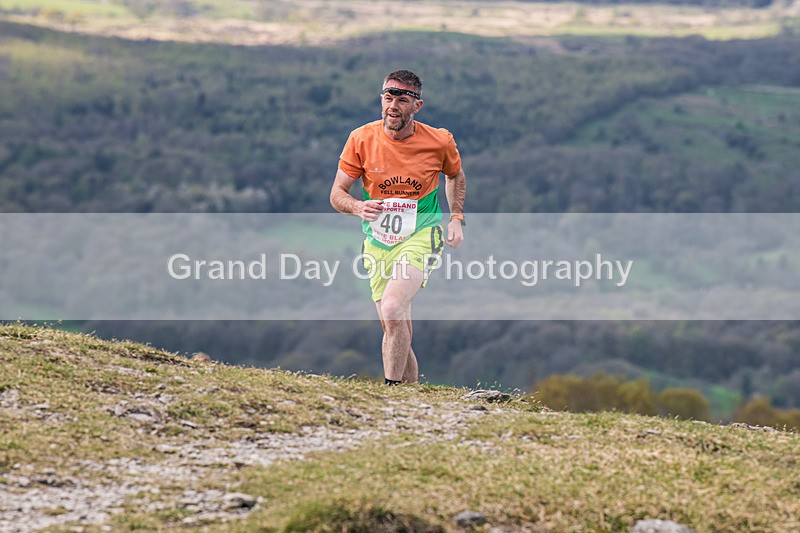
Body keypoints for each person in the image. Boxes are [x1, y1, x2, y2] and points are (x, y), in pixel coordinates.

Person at [330, 69, 467, 385]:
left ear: (417, 106)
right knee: (394, 323)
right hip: (377, 240)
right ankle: (409, 397)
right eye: (388, 98)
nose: (393, 106)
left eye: (402, 100)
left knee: (393, 309)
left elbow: (455, 175)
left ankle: (390, 393)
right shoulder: (361, 139)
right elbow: (337, 193)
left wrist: (456, 218)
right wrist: (358, 207)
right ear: (381, 99)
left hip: (422, 234)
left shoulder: (439, 141)